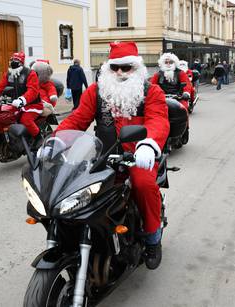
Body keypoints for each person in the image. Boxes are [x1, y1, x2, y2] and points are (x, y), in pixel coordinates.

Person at [56, 41, 169, 269]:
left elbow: (158, 119)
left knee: (143, 184)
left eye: (126, 67)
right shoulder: (96, 92)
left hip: (138, 157)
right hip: (101, 157)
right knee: (70, 187)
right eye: (114, 67)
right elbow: (77, 120)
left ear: (136, 68)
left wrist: (148, 144)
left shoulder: (151, 91)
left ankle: (152, 238)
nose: (119, 72)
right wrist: (55, 141)